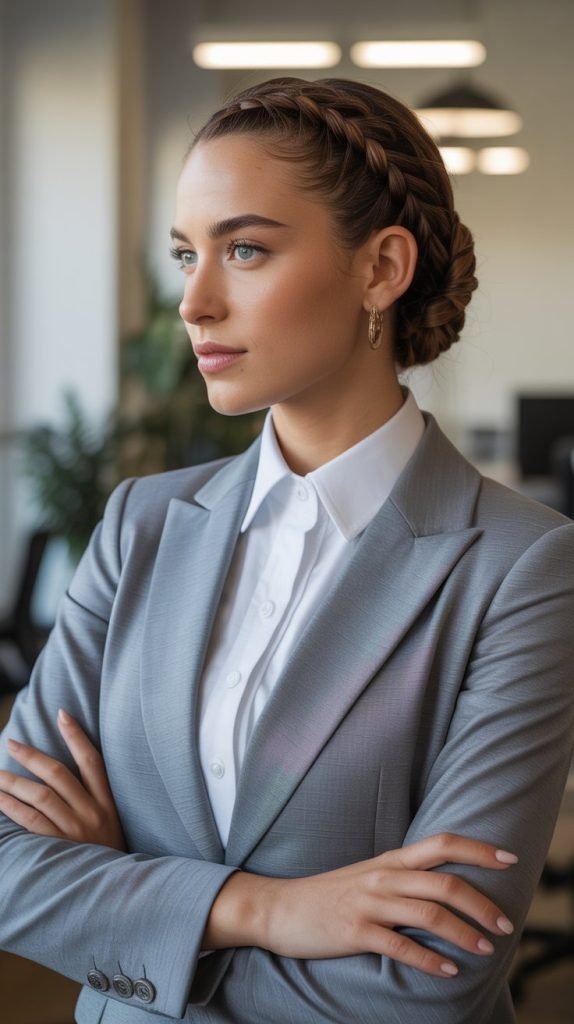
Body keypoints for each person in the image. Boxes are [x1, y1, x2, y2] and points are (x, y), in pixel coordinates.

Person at [0, 76, 573, 1024]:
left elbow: (427, 982)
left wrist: (130, 894)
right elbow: (11, 870)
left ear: (381, 268)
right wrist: (268, 908)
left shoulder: (521, 568)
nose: (194, 303)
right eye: (187, 254)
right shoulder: (141, 524)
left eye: (247, 249)